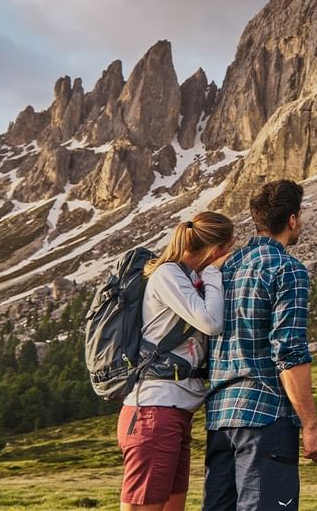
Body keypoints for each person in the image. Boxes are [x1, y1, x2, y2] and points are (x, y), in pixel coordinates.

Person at [203, 179, 317, 511]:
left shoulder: (222, 269)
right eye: (299, 216)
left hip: (220, 419)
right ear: (291, 220)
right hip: (266, 419)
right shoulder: (287, 270)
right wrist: (311, 427)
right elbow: (289, 351)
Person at [117, 211, 234, 511]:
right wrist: (212, 275)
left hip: (175, 414)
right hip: (154, 412)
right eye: (228, 249)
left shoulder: (187, 278)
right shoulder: (168, 274)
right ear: (214, 251)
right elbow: (211, 323)